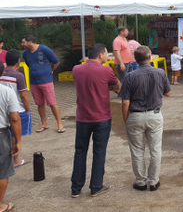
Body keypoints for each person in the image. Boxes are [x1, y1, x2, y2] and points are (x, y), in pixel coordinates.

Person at [71, 43, 120, 198]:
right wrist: (108, 87)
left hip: (82, 118)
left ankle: (76, 188)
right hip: (102, 118)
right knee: (99, 152)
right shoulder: (106, 70)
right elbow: (118, 87)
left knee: (80, 151)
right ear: (100, 55)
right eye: (106, 54)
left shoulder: (76, 69)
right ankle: (96, 187)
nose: (107, 56)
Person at [119, 46, 170, 191]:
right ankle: (153, 181)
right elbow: (168, 93)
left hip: (135, 115)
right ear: (150, 57)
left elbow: (125, 102)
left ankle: (140, 181)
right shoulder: (160, 73)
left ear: (136, 59)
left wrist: (126, 119)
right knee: (155, 149)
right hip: (154, 115)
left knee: (137, 150)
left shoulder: (130, 76)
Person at [21, 35, 64, 133]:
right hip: (34, 82)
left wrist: (51, 71)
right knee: (40, 104)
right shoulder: (25, 53)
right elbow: (29, 64)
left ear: (30, 42)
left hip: (46, 81)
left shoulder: (45, 49)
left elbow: (56, 62)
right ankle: (44, 124)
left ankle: (60, 124)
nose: (22, 44)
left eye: (23, 42)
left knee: (52, 103)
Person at [0, 51, 30, 167]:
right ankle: (15, 160)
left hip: (3, 108)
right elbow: (23, 95)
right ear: (18, 61)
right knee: (14, 136)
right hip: (16, 109)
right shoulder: (18, 76)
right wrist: (27, 109)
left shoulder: (2, 72)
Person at [0, 62, 21, 212]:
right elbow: (14, 118)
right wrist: (17, 141)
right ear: (2, 74)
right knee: (2, 172)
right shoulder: (6, 91)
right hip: (1, 135)